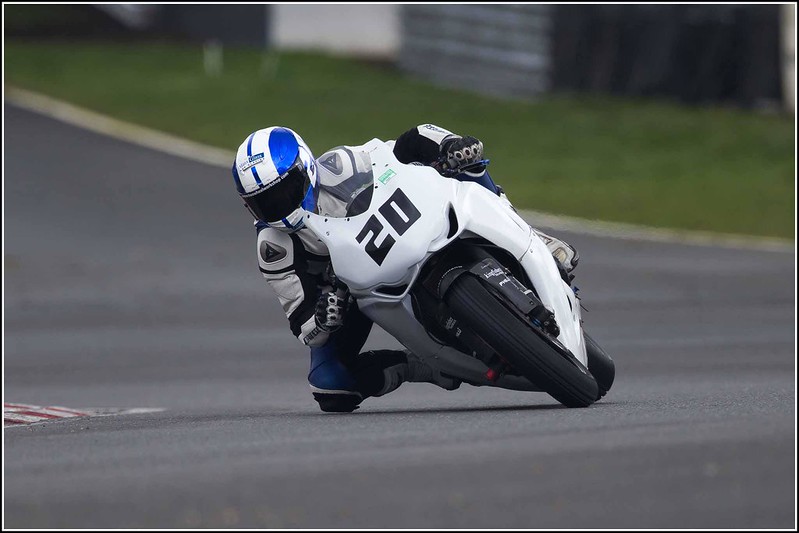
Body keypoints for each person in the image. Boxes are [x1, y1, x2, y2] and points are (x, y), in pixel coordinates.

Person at [231, 125, 579, 412]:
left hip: (396, 230)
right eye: (265, 203)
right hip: (348, 292)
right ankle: (423, 366)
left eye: (284, 192)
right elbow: (303, 324)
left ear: (305, 168)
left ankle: (532, 235)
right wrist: (324, 317)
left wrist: (449, 145)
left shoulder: (341, 164)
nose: (278, 207)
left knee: (464, 162)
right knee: (329, 386)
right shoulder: (274, 247)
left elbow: (403, 145)